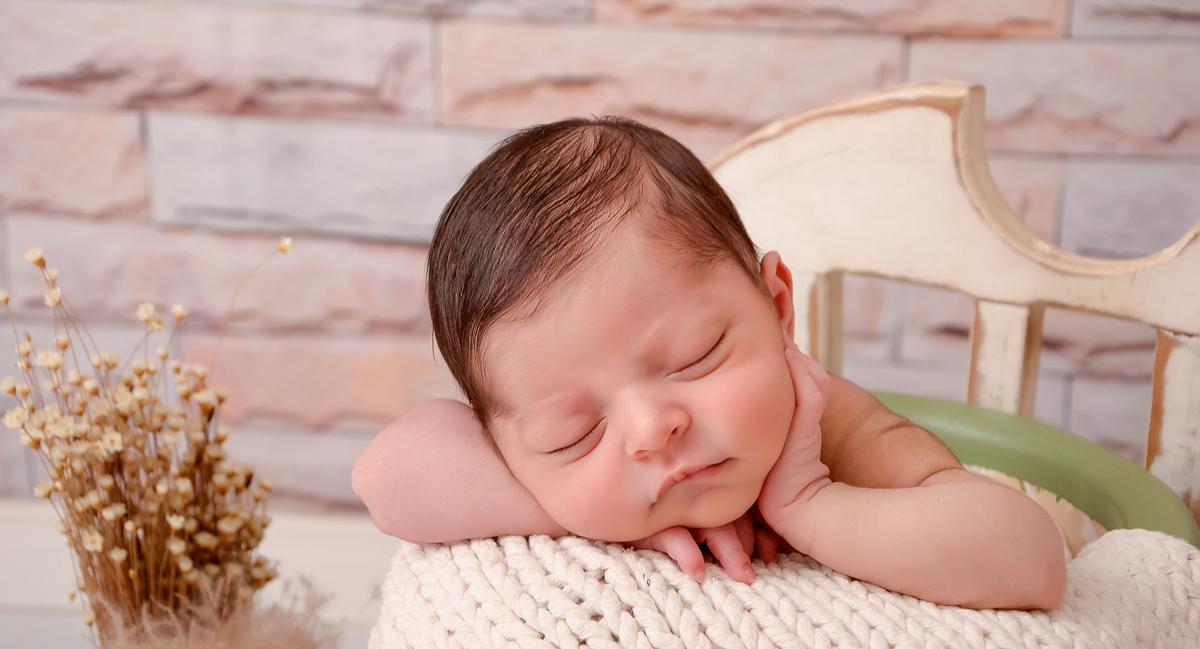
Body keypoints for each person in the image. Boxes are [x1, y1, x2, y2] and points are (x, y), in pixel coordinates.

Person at [352, 116, 1066, 610]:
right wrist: (592, 512)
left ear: (777, 305)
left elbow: (1029, 559)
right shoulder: (571, 478)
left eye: (694, 359)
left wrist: (811, 505)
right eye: (573, 433)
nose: (650, 430)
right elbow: (386, 478)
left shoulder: (827, 424)